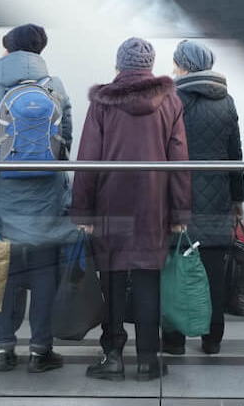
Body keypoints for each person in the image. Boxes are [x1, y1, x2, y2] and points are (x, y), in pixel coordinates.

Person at [72, 38, 191, 381]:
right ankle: (148, 360)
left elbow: (88, 159)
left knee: (112, 279)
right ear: (151, 66)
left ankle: (113, 356)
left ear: (120, 65)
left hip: (111, 205)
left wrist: (83, 212)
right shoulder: (170, 100)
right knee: (148, 280)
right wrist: (180, 213)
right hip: (154, 206)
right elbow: (179, 162)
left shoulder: (103, 103)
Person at [0, 24, 75, 373]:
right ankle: (40, 350)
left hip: (3, 196)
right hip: (46, 195)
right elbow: (65, 143)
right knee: (44, 274)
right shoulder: (55, 86)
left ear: (9, 49)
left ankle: (3, 348)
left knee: (6, 272)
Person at [162, 40, 244, 357]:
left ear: (183, 66)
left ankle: (173, 340)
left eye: (175, 63)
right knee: (212, 272)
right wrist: (237, 197)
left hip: (176, 197)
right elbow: (234, 155)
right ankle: (212, 339)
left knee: (174, 268)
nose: (172, 68)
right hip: (217, 197)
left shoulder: (169, 100)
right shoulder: (226, 101)